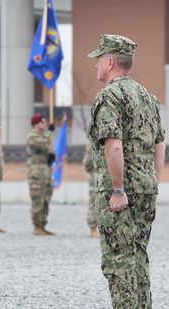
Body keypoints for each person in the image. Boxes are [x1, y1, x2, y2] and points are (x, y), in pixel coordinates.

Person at [87, 34, 165, 309]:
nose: (95, 66)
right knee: (138, 255)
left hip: (120, 192)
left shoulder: (109, 96)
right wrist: (152, 180)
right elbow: (159, 144)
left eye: (98, 60)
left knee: (119, 261)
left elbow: (114, 145)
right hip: (146, 187)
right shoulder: (148, 96)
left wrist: (118, 189)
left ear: (110, 62)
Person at [26, 113, 56, 236]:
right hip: (36, 173)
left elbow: (50, 150)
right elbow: (43, 146)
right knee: (37, 200)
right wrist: (50, 133)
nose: (45, 123)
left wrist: (52, 157)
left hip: (46, 172)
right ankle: (36, 226)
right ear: (36, 124)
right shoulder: (32, 137)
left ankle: (43, 224)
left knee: (46, 199)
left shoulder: (46, 136)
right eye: (42, 122)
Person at [82, 142, 98, 238]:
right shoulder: (92, 142)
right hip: (95, 175)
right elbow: (87, 162)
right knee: (94, 200)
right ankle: (93, 227)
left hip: (106, 175)